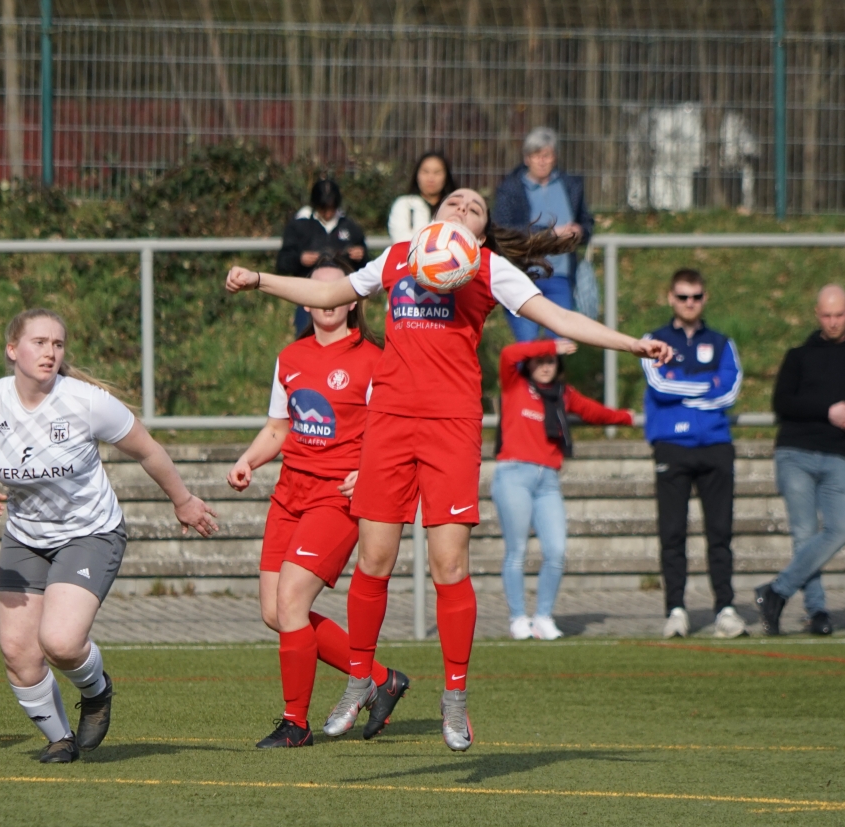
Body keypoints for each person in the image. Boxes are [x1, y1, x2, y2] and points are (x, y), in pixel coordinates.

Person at [224, 187, 673, 751]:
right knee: (375, 557)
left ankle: (455, 698)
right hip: (388, 421)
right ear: (433, 217)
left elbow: (557, 316)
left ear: (481, 234)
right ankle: (360, 679)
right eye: (453, 203)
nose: (461, 208)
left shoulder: (489, 269)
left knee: (449, 564)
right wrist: (258, 279)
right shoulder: (399, 257)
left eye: (474, 209)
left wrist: (633, 344)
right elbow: (332, 289)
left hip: (450, 426)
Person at [0, 309, 220, 763]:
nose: (50, 352)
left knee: (61, 642)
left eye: (58, 344)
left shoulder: (85, 402)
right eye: (39, 342)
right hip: (25, 538)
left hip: (90, 532)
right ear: (13, 350)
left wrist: (183, 500)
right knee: (18, 652)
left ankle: (96, 690)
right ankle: (60, 739)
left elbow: (148, 450)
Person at [225, 258, 409, 747]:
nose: (325, 300)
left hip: (337, 498)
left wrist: (365, 473)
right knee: (275, 612)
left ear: (353, 300)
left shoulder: (374, 359)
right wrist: (250, 459)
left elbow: (392, 432)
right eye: (314, 290)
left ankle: (295, 724)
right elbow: (278, 429)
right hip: (290, 494)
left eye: (336, 290)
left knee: (291, 602)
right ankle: (381, 678)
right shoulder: (290, 357)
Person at [755, 284, 845, 637]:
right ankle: (817, 612)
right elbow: (782, 403)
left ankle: (775, 591)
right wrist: (826, 410)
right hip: (794, 452)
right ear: (817, 315)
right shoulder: (799, 355)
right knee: (805, 534)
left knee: (842, 528)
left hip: (836, 456)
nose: (832, 322)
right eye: (826, 316)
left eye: (839, 315)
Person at [494, 337, 635, 640]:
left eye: (551, 361)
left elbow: (593, 411)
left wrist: (626, 417)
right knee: (516, 551)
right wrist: (549, 346)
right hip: (513, 473)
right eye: (540, 360)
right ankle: (518, 618)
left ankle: (543, 616)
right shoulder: (514, 383)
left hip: (548, 479)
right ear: (530, 363)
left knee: (556, 550)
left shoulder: (563, 394)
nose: (545, 366)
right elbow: (509, 353)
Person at [642, 268, 746, 639]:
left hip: (716, 446)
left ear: (705, 298)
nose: (690, 303)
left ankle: (726, 609)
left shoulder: (722, 342)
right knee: (673, 534)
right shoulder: (652, 340)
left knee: (720, 533)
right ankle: (675, 610)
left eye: (696, 296)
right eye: (683, 296)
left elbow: (730, 391)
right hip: (672, 446)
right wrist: (706, 384)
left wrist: (682, 387)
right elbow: (658, 384)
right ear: (670, 297)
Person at [493, 127, 595, 341]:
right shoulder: (510, 189)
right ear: (526, 158)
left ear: (554, 157)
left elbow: (587, 222)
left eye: (546, 155)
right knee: (528, 345)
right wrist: (548, 234)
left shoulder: (570, 185)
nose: (541, 161)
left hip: (561, 276)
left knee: (559, 342)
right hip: (524, 275)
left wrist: (579, 232)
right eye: (535, 156)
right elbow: (503, 230)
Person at [278, 178, 370, 334]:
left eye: (332, 208)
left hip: (344, 296)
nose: (328, 213)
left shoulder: (350, 227)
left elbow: (367, 266)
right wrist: (300, 259)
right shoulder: (300, 226)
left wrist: (360, 256)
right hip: (308, 295)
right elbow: (282, 262)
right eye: (323, 208)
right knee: (306, 338)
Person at [386, 150, 459, 243]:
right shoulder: (405, 205)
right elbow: (401, 240)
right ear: (417, 175)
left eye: (437, 172)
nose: (431, 178)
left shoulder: (456, 208)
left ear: (446, 176)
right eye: (425, 172)